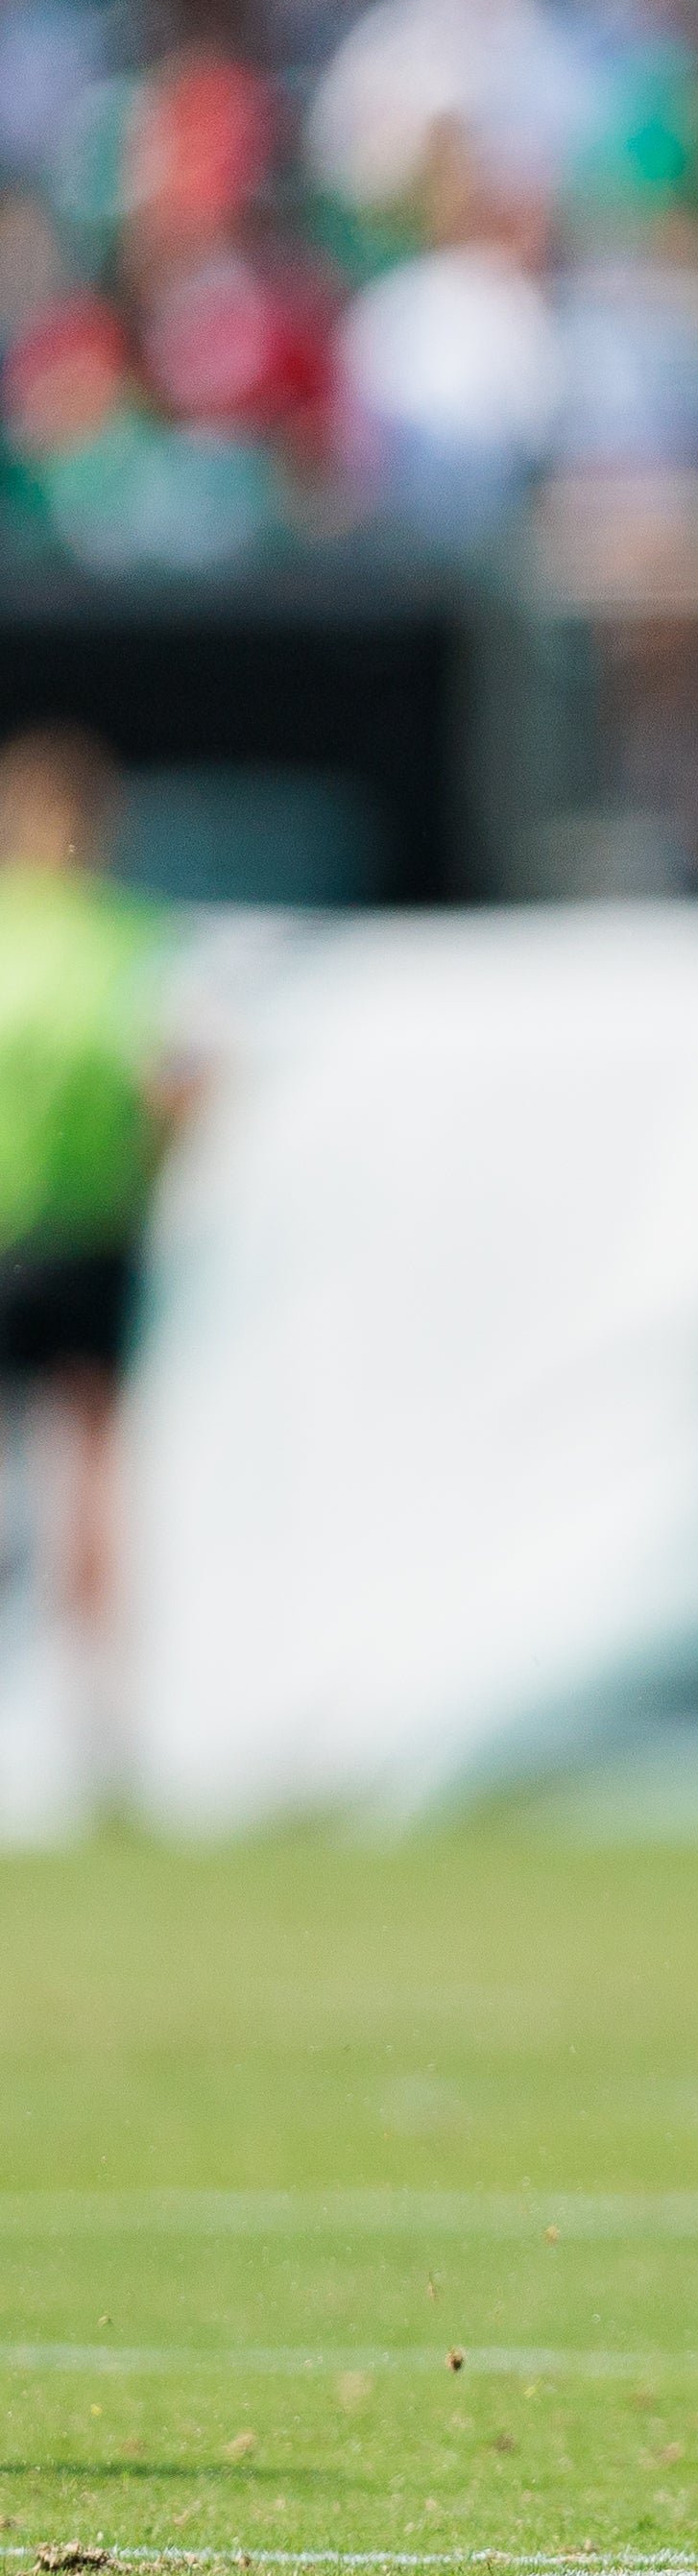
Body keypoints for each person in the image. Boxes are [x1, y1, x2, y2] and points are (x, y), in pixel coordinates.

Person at [0, 729, 168, 1828]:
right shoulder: (129, 940)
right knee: (91, 1491)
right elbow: (178, 1087)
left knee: (72, 1491)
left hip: (23, 1231)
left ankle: (93, 1731)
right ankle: (96, 1734)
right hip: (92, 1233)